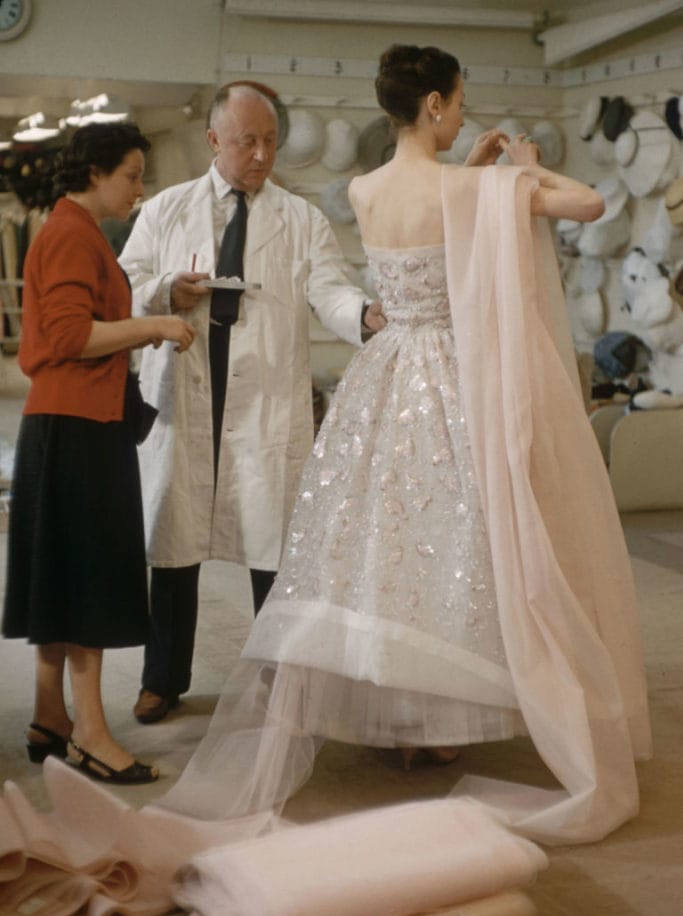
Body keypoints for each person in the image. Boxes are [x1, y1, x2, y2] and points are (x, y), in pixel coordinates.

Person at [161, 44, 652, 845]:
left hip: (386, 374)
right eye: (457, 105)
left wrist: (488, 175)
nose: (462, 118)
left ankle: (410, 715)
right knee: (467, 538)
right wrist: (523, 169)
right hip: (455, 375)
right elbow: (591, 203)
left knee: (385, 547)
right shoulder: (470, 187)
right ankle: (447, 714)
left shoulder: (361, 187)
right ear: (432, 105)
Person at [120, 83, 385, 725]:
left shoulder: (301, 218)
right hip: (184, 387)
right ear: (215, 140)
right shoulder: (164, 210)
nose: (261, 154)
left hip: (263, 397)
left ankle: (277, 676)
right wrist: (165, 290)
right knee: (174, 544)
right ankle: (163, 679)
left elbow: (327, 287)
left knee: (274, 548)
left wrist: (365, 316)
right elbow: (124, 285)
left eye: (270, 141)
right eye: (247, 141)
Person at [2, 123, 195, 784]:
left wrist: (157, 305)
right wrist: (156, 326)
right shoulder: (67, 235)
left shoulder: (70, 231)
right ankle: (89, 732)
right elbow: (69, 334)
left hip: (69, 422)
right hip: (78, 423)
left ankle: (51, 715)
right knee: (86, 579)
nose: (140, 189)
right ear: (95, 173)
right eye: (133, 174)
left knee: (59, 572)